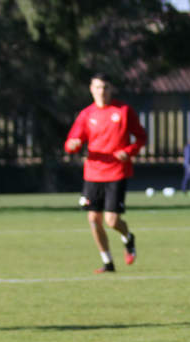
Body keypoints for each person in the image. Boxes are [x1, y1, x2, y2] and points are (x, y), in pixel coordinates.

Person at [64, 73, 147, 273]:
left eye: (105, 87)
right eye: (98, 87)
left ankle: (128, 237)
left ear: (111, 89)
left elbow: (141, 138)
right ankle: (108, 262)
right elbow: (71, 142)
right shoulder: (86, 114)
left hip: (116, 172)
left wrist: (128, 152)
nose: (102, 91)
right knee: (93, 219)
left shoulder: (124, 111)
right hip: (93, 174)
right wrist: (73, 145)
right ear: (91, 89)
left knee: (112, 221)